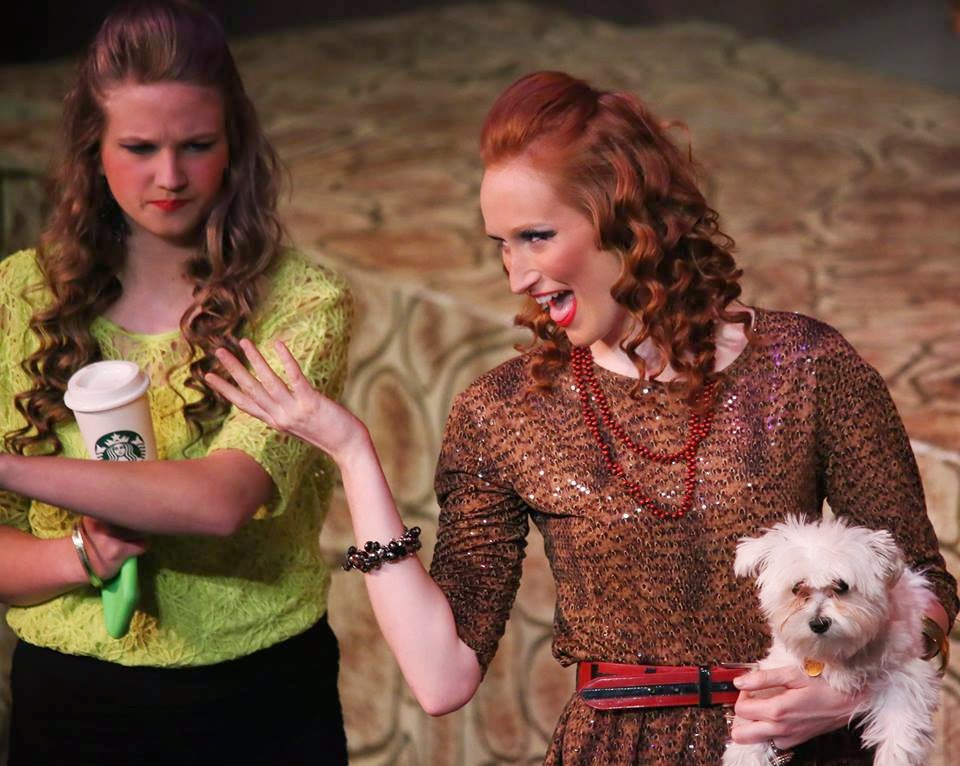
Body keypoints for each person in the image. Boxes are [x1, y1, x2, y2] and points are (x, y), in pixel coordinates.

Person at [206, 71, 957, 765]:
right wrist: (352, 452)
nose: (517, 276)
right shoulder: (505, 412)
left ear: (628, 222)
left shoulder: (807, 366)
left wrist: (842, 697)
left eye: (536, 237)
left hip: (797, 747)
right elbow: (441, 678)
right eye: (501, 246)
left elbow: (924, 587)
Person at [0, 2, 350, 764]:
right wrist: (77, 558)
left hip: (258, 699)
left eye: (197, 145)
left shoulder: (302, 303)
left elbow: (221, 501)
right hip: (70, 705)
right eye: (139, 147)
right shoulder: (18, 296)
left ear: (235, 145)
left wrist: (9, 468)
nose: (169, 177)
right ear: (94, 150)